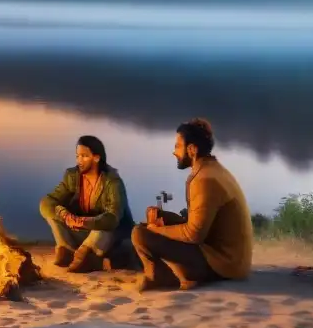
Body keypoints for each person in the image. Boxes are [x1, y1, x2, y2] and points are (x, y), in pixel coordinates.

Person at [131, 118, 252, 292]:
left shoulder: (205, 179)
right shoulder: (211, 170)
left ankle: (159, 275)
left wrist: (154, 229)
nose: (174, 152)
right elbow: (198, 222)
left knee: (140, 233)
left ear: (192, 149)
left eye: (177, 146)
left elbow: (194, 234)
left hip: (224, 265)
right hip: (229, 259)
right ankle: (168, 273)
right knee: (152, 223)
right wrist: (164, 219)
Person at [39, 135, 134, 273]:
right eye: (77, 156)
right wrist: (64, 214)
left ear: (96, 158)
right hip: (82, 231)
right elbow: (47, 202)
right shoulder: (72, 176)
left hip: (110, 236)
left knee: (103, 226)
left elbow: (113, 218)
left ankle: (89, 254)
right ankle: (67, 249)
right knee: (53, 214)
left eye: (84, 156)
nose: (79, 161)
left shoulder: (112, 182)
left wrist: (83, 222)